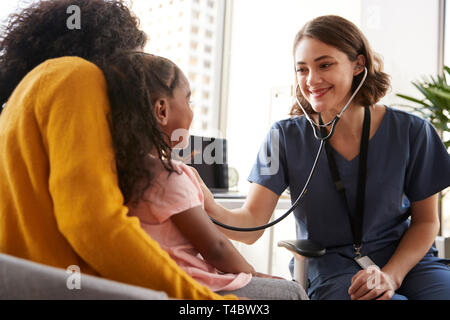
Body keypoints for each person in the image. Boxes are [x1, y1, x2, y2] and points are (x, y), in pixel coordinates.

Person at [197, 15, 450, 300]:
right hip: (333, 268)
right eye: (301, 70)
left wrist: (391, 275)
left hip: (407, 261)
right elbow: (251, 224)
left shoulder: (413, 131)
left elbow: (426, 222)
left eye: (324, 65)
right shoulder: (284, 137)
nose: (311, 80)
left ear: (358, 64)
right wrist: (201, 200)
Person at [0, 0, 236, 300]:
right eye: (135, 64)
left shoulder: (31, 91)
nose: (138, 81)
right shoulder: (77, 76)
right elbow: (93, 224)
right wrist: (203, 301)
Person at [102, 50, 308, 300]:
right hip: (192, 286)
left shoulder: (119, 170)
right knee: (292, 292)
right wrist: (254, 274)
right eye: (188, 101)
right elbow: (215, 248)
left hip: (149, 284)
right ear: (162, 110)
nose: (191, 112)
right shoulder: (170, 176)